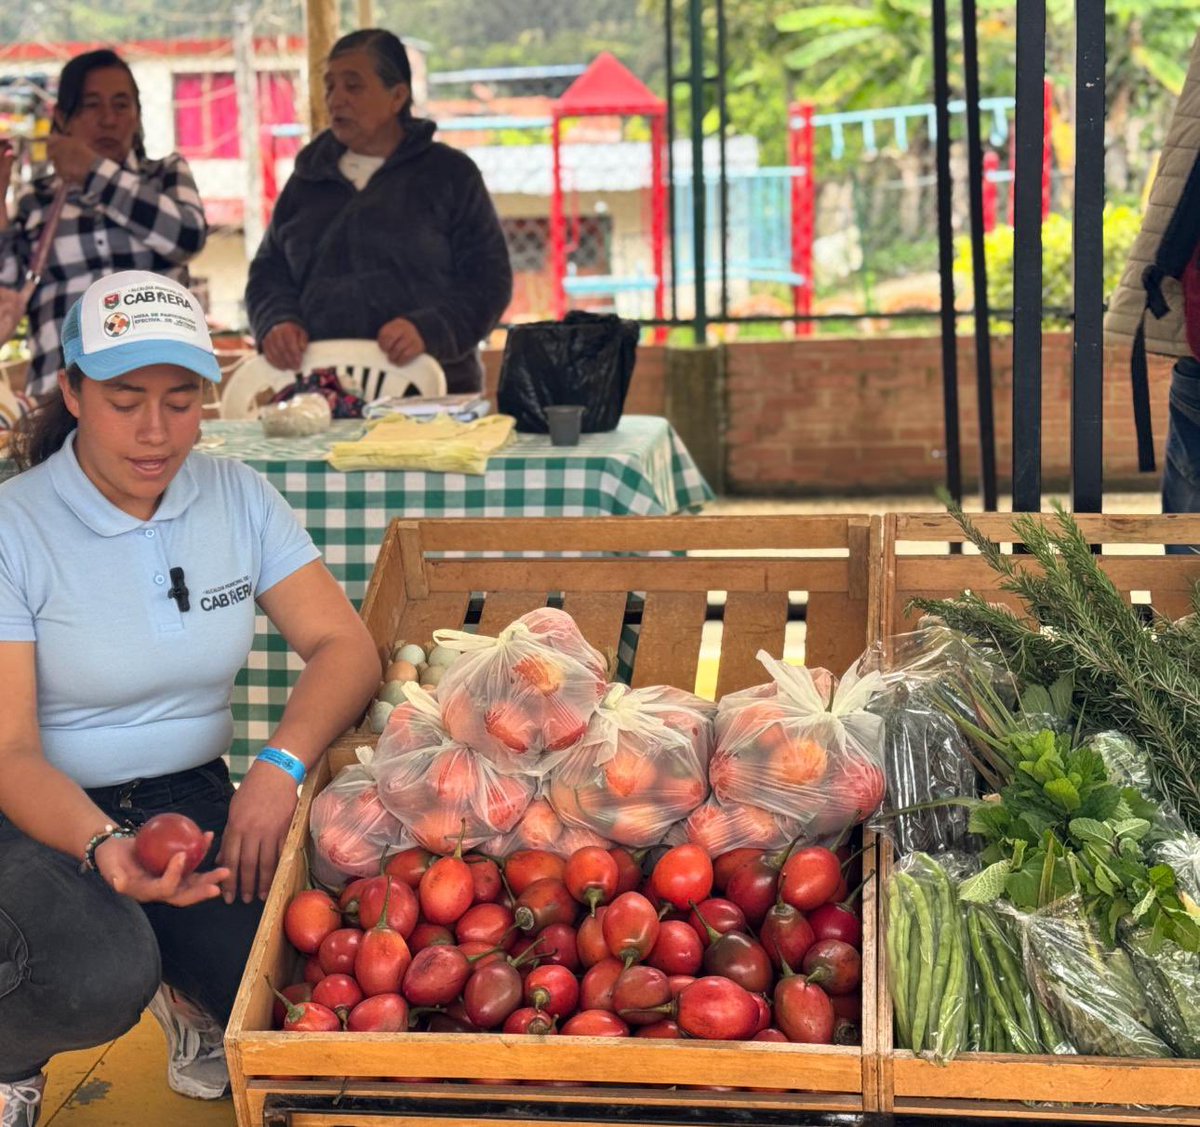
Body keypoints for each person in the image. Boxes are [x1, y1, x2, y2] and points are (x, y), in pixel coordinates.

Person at [0, 270, 380, 1125]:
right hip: (40, 812)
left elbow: (342, 646)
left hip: (189, 796)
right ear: (70, 388)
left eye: (181, 400)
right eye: (125, 398)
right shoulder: (13, 525)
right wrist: (102, 845)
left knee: (305, 968)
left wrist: (279, 767)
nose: (155, 430)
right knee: (93, 970)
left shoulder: (236, 494)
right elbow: (11, 752)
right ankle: (9, 1059)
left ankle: (190, 989)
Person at [245, 28, 513, 395]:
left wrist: (430, 329)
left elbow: (488, 282)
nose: (336, 99)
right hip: (318, 396)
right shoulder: (307, 180)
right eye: (329, 86)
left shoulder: (449, 175)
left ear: (397, 96)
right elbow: (268, 272)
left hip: (432, 394)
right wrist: (275, 321)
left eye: (353, 86)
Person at [0, 49, 208, 400]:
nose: (108, 119)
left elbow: (187, 236)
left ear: (138, 116)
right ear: (63, 119)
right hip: (58, 393)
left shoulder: (165, 176)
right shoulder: (36, 199)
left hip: (157, 388)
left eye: (121, 105)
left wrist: (92, 171)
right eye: (91, 105)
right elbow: (7, 291)